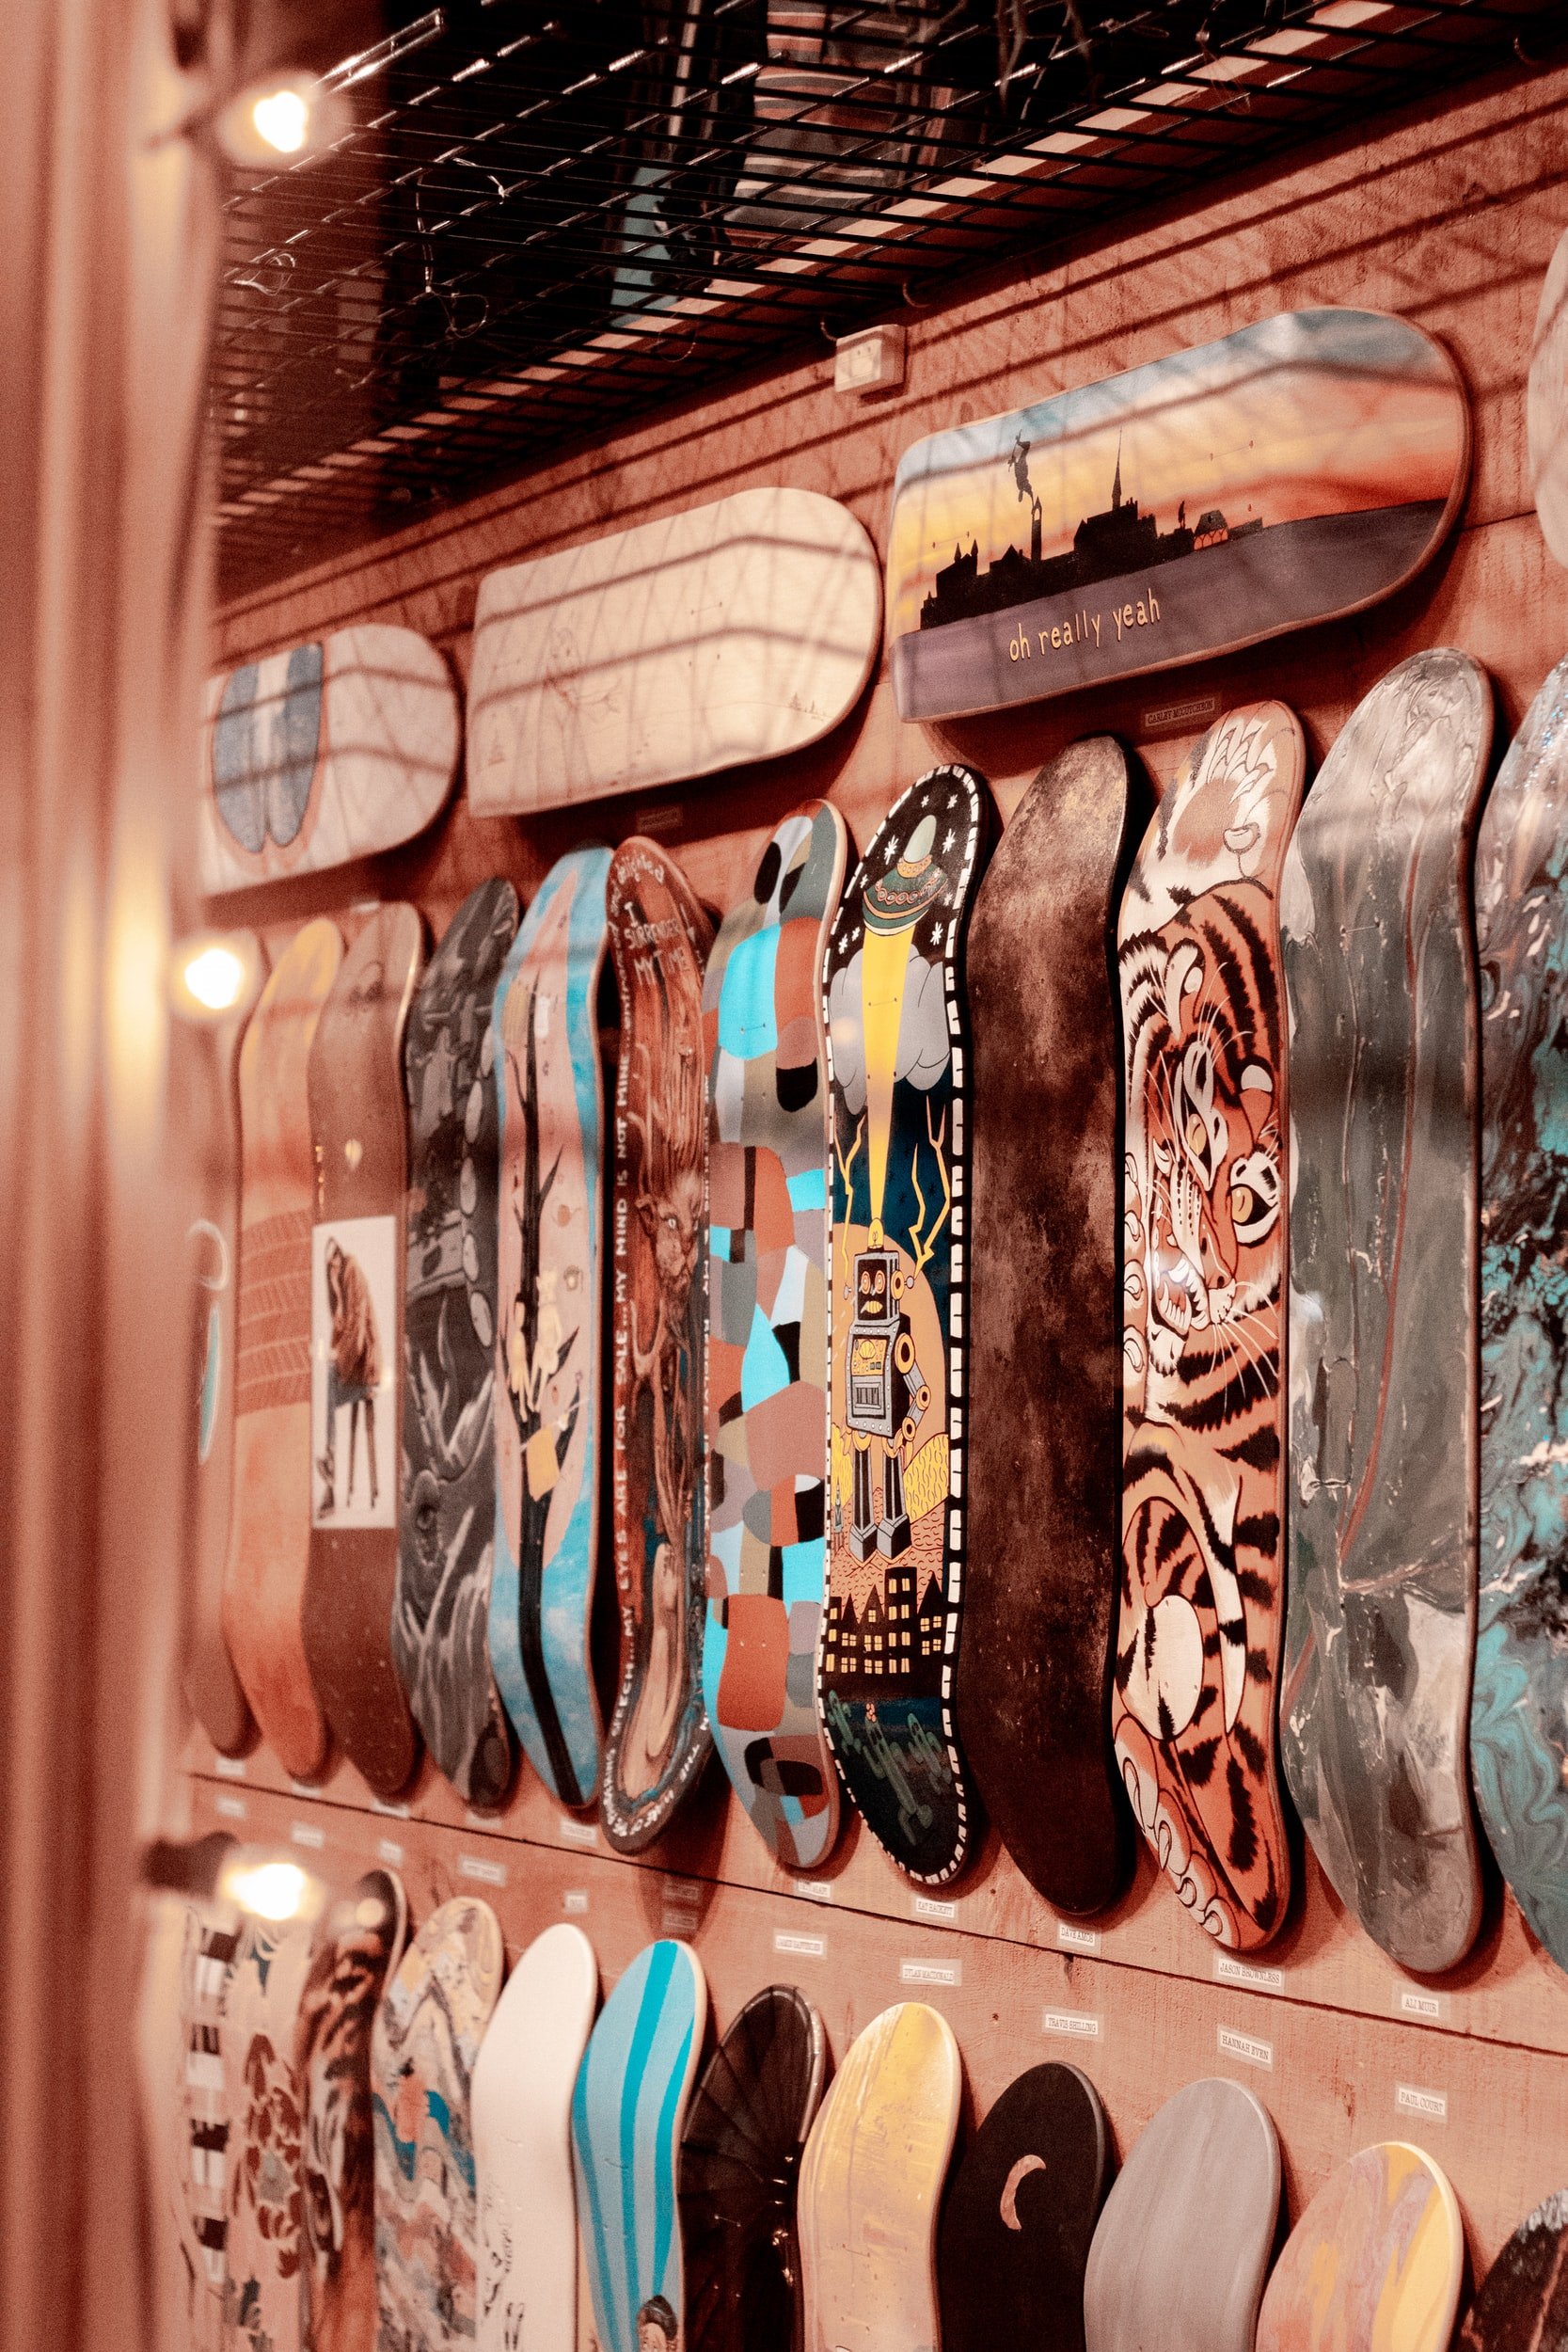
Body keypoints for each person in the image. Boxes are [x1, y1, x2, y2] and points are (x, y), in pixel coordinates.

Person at [317, 1237, 380, 1513]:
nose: (332, 1271)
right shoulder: (338, 1281)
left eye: (334, 1264)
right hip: (354, 1365)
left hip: (366, 1369)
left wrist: (339, 1361)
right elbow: (340, 1328)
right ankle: (330, 1465)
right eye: (328, 1268)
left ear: (340, 1258)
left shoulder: (352, 1270)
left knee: (331, 1382)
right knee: (329, 1378)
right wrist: (332, 1355)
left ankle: (330, 1465)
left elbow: (357, 1330)